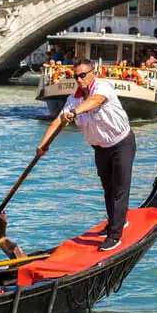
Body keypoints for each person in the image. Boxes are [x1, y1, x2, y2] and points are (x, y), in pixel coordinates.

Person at [36, 59, 135, 252]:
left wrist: (74, 113)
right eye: (76, 76)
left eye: (83, 75)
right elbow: (58, 121)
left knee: (120, 189)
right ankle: (116, 222)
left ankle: (115, 236)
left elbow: (95, 101)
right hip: (101, 148)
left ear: (92, 73)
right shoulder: (74, 99)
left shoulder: (102, 87)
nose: (79, 79)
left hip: (122, 143)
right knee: (108, 187)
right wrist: (43, 145)